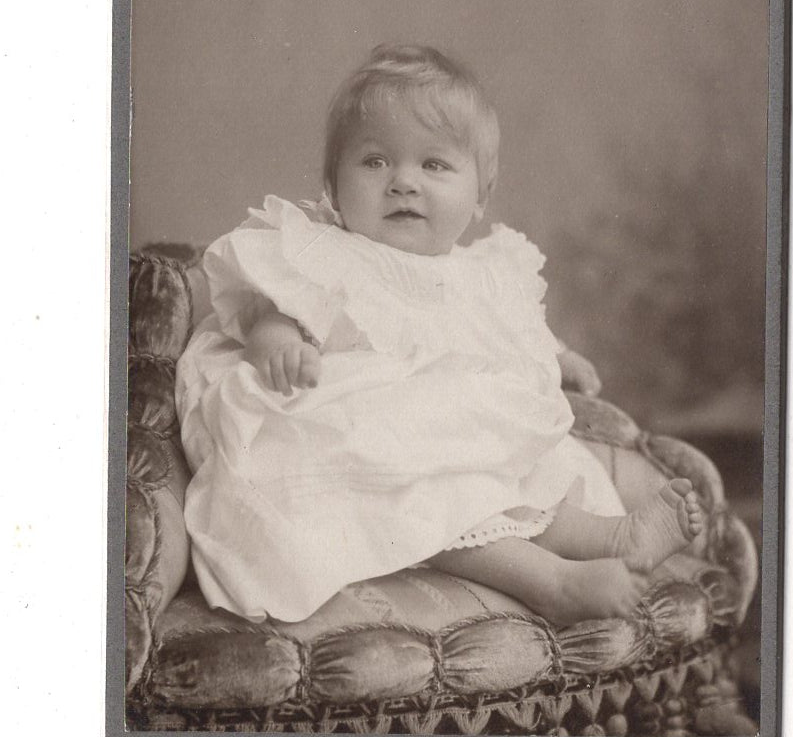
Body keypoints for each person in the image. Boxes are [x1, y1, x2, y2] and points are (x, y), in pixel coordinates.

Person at [176, 45, 701, 627]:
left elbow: (511, 328)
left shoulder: (482, 272)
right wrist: (281, 348)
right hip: (364, 434)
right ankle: (549, 581)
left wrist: (560, 357)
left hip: (451, 431)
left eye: (434, 165)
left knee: (517, 461)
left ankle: (611, 535)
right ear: (331, 184)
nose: (402, 182)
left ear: (480, 196)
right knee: (424, 486)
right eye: (374, 162)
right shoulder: (327, 253)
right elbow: (275, 311)